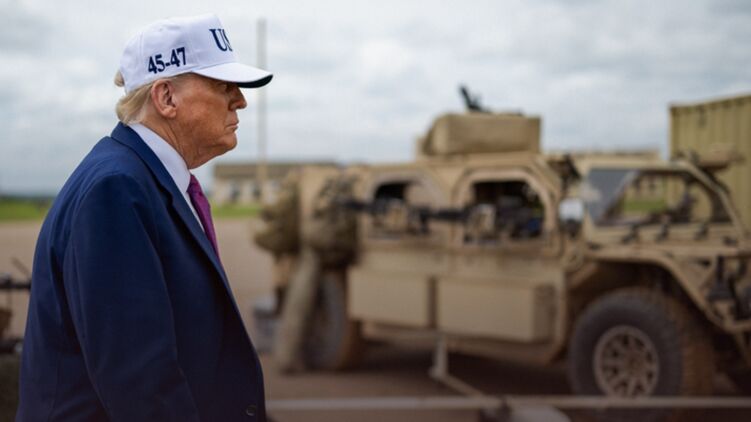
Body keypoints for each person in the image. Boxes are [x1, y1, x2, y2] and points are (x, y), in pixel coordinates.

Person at [17, 14, 272, 421]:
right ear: (166, 98)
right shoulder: (117, 189)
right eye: (223, 86)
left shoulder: (145, 180)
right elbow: (140, 384)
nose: (240, 100)